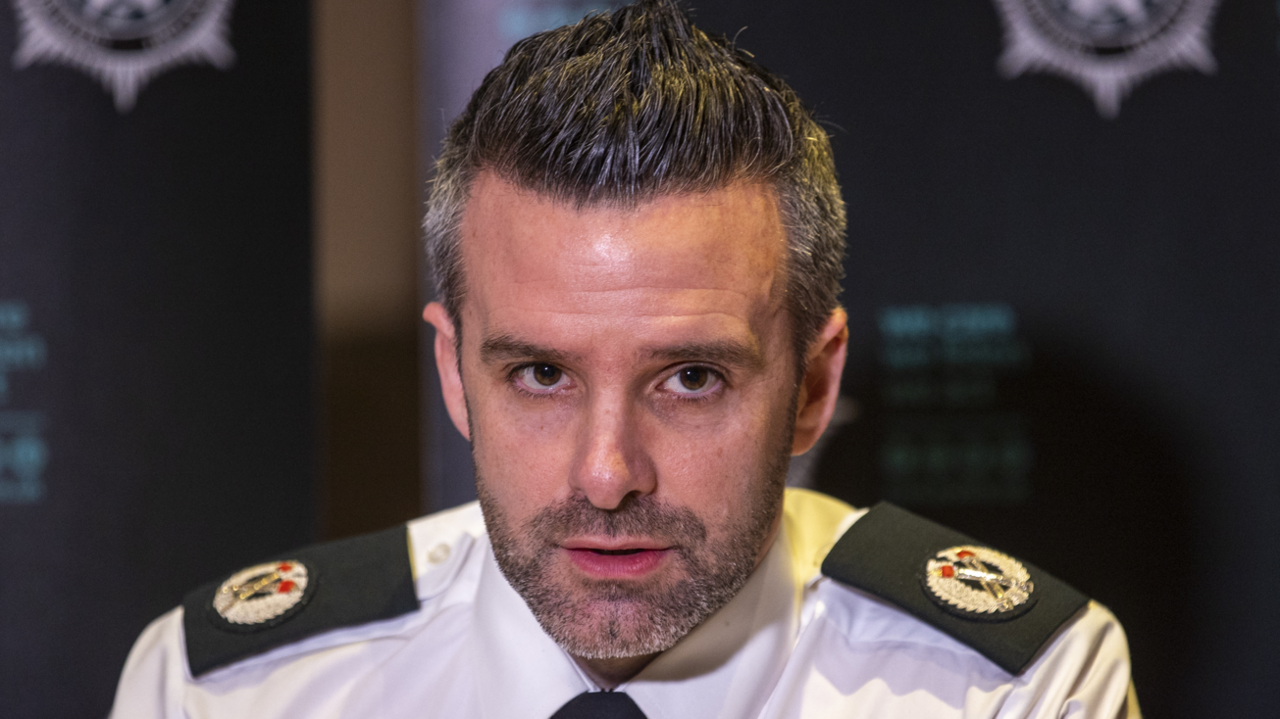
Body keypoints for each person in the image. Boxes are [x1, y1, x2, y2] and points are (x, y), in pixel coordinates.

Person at [110, 1, 1137, 716]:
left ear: (812, 384)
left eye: (690, 377)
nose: (605, 473)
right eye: (539, 375)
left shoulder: (1011, 689)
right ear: (452, 374)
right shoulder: (225, 692)